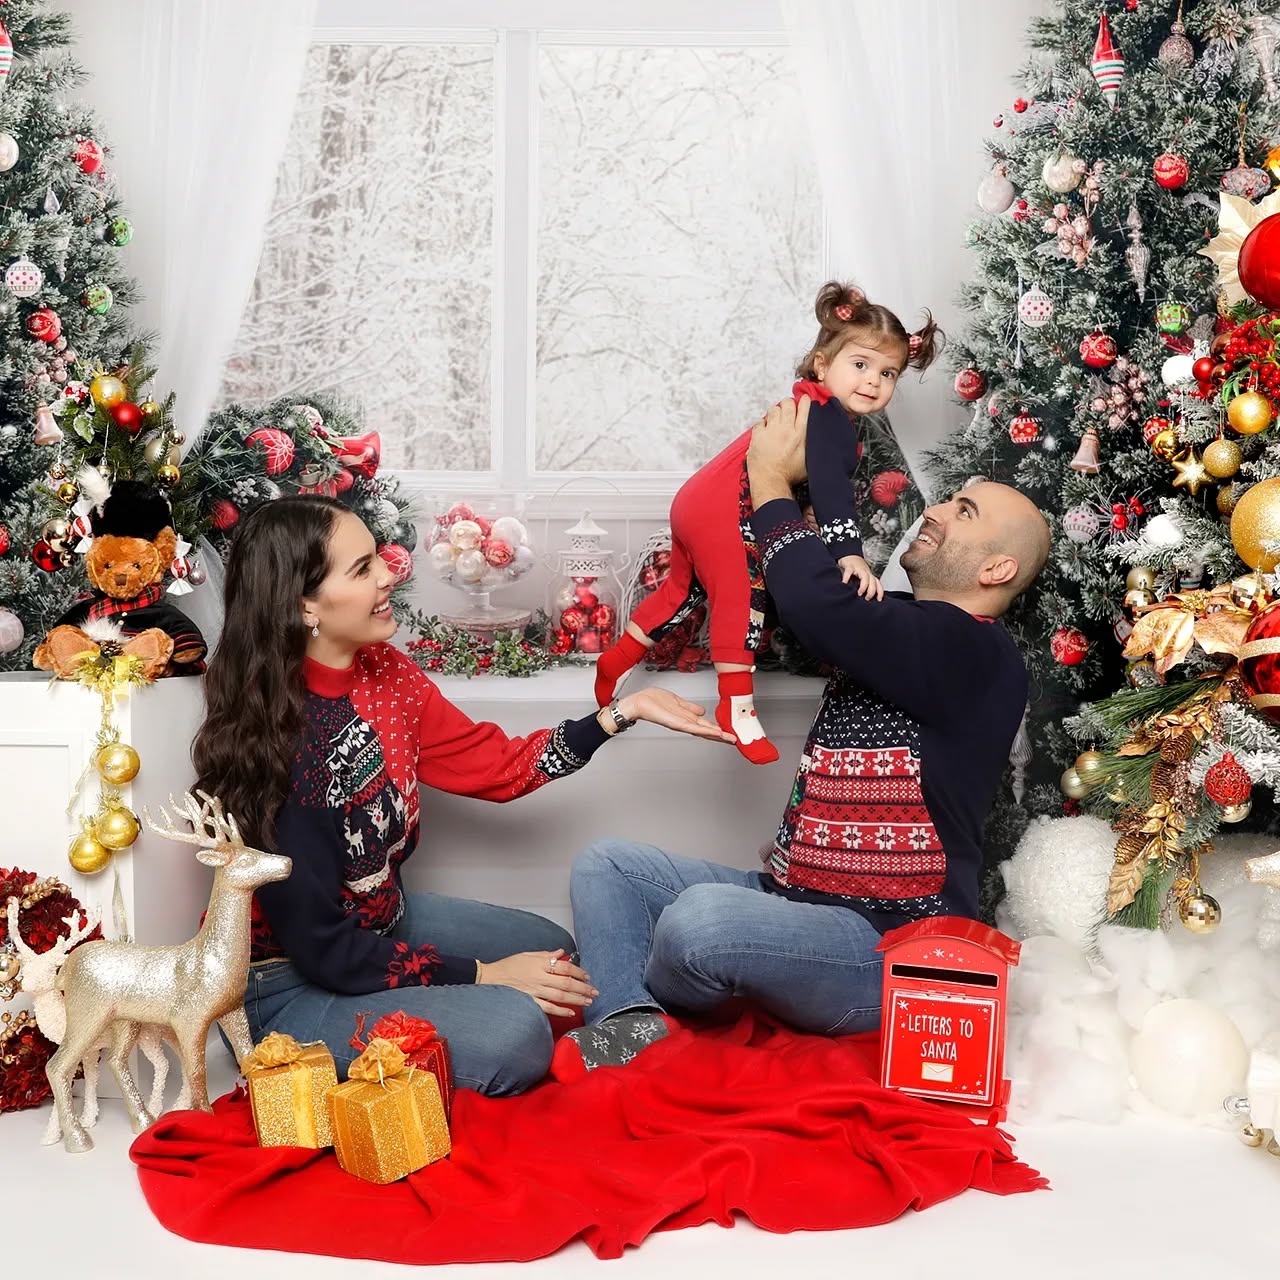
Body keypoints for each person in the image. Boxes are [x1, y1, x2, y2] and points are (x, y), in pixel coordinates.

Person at [560, 394, 1051, 1073]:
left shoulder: (975, 651)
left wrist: (769, 478)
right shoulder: (902, 621)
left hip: (887, 945)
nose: (934, 511)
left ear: (997, 569)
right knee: (606, 864)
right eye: (949, 500)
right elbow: (804, 603)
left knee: (698, 922)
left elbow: (817, 606)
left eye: (964, 513)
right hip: (792, 900)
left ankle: (644, 977)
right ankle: (627, 1025)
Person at [191, 495, 733, 1096]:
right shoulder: (289, 747)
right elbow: (324, 953)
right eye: (362, 569)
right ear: (304, 604)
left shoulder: (385, 673)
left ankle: (557, 1018)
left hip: (379, 928)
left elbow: (496, 765)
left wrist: (618, 714)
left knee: (552, 955)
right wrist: (485, 974)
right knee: (519, 1031)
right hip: (293, 986)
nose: (389, 576)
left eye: (379, 560)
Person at [592, 280, 942, 765]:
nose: (873, 381)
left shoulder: (813, 408)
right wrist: (849, 554)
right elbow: (830, 490)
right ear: (823, 363)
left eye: (888, 373)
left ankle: (616, 658)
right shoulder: (826, 419)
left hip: (695, 496)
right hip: (721, 505)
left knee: (682, 590)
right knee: (742, 592)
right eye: (860, 365)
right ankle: (737, 708)